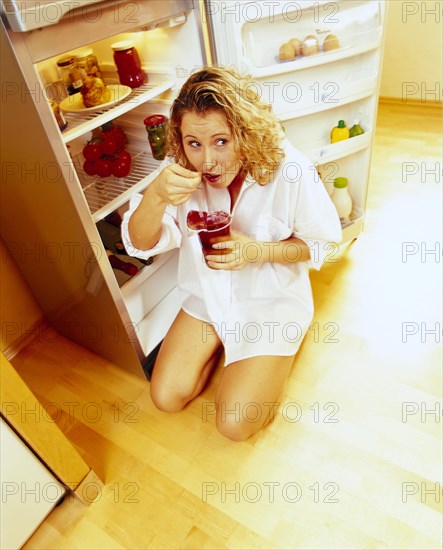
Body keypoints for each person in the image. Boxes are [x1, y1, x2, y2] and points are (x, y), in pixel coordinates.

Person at [121, 66, 342, 441]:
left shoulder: (290, 170)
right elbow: (140, 243)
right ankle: (227, 347)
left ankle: (272, 360)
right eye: (194, 143)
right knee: (165, 398)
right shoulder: (180, 171)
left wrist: (256, 250)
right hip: (207, 297)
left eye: (221, 141)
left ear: (244, 132)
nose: (207, 161)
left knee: (235, 425)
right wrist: (156, 196)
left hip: (269, 302)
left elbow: (322, 243)